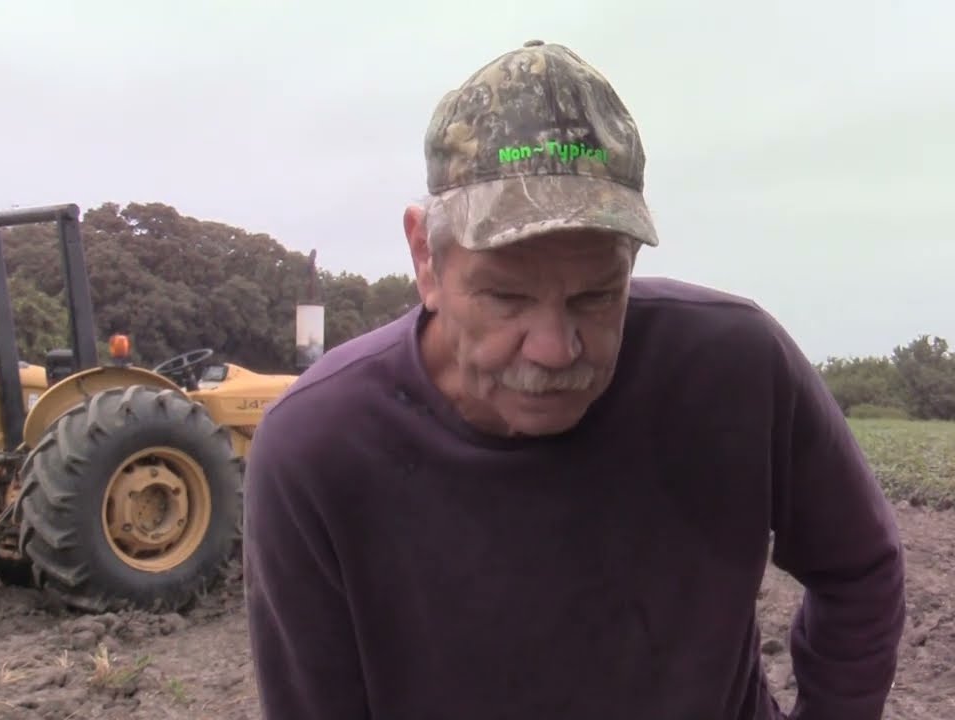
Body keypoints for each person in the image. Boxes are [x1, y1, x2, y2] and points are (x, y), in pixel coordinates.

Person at [243, 39, 906, 720]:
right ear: (426, 258)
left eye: (595, 297)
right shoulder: (318, 452)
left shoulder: (733, 369)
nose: (557, 349)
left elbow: (860, 569)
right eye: (507, 298)